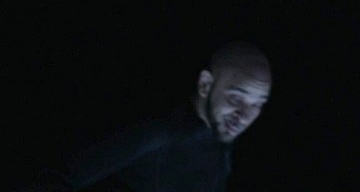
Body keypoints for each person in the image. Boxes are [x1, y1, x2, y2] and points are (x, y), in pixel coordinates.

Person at [22, 41, 272, 192]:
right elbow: (53, 178)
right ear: (205, 85)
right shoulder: (156, 131)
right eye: (236, 98)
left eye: (258, 104)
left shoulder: (222, 135)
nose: (244, 116)